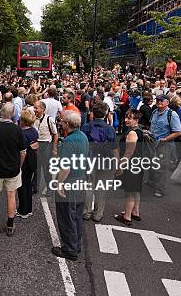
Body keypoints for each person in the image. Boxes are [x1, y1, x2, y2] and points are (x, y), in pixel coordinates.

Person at [0, 102, 27, 237]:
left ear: (1, 113)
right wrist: (19, 166)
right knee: (11, 195)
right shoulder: (18, 130)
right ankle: (10, 224)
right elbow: (23, 151)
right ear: (13, 114)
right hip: (12, 168)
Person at [52, 111, 89, 261]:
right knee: (76, 215)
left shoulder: (69, 141)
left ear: (67, 124)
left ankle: (70, 249)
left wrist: (59, 184)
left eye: (62, 121)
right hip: (81, 179)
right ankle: (76, 244)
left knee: (66, 216)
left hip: (70, 181)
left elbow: (65, 167)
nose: (60, 123)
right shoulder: (83, 136)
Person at [82, 102, 119, 222]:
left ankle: (87, 211)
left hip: (89, 158)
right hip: (105, 160)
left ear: (93, 112)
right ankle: (98, 214)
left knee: (88, 186)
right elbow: (114, 148)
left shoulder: (86, 127)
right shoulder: (110, 129)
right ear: (106, 113)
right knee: (101, 188)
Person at [114, 110, 145, 226]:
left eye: (130, 118)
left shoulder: (132, 133)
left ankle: (127, 217)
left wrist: (121, 165)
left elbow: (129, 152)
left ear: (136, 120)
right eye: (126, 117)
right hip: (138, 164)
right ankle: (135, 212)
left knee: (129, 192)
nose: (126, 120)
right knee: (135, 190)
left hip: (131, 165)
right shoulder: (140, 131)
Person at [148, 94, 181, 197]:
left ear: (167, 102)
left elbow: (177, 132)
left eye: (162, 100)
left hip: (165, 144)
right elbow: (152, 126)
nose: (159, 102)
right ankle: (152, 181)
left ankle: (160, 189)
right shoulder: (155, 112)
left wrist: (165, 139)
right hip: (153, 142)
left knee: (162, 167)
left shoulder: (172, 114)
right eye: (157, 100)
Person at [17, 109, 38, 219]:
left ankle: (23, 210)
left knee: (21, 186)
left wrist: (19, 166)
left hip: (24, 161)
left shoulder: (21, 133)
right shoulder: (34, 131)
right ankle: (29, 209)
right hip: (33, 159)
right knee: (28, 184)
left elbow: (22, 152)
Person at [34, 100, 59, 195]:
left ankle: (50, 188)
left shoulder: (49, 119)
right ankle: (35, 187)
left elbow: (55, 134)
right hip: (36, 144)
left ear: (42, 109)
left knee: (46, 169)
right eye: (34, 107)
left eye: (36, 108)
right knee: (36, 168)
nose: (34, 109)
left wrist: (54, 148)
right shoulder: (33, 118)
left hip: (46, 145)